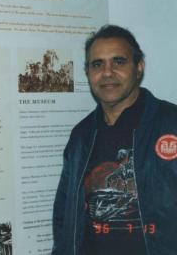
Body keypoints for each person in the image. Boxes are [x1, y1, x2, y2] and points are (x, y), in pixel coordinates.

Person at [52, 24, 177, 255]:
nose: (107, 72)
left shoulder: (171, 124)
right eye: (97, 64)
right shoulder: (81, 136)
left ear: (139, 67)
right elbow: (64, 216)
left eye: (118, 62)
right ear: (88, 72)